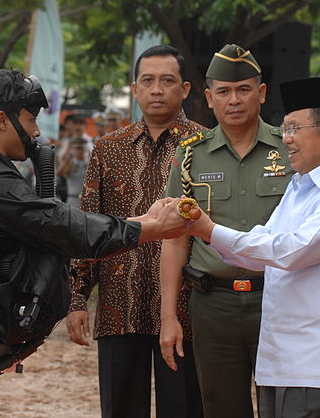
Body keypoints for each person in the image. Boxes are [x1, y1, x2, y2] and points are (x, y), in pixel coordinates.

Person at [0, 69, 194, 417]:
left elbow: (55, 221)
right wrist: (154, 229)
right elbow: (69, 230)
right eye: (30, 119)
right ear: (3, 121)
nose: (35, 131)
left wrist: (146, 222)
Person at [182, 77, 320, 418]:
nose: (285, 139)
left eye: (293, 128)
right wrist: (203, 231)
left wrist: (210, 229)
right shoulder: (301, 184)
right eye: (284, 128)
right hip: (282, 357)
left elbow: (291, 250)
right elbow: (262, 246)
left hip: (319, 361)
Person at [67, 45, 204, 418]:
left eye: (167, 81)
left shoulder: (206, 148)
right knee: (120, 407)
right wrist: (78, 298)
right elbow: (88, 225)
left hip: (186, 309)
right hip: (118, 304)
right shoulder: (108, 149)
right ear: (134, 88)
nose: (157, 89)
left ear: (186, 88)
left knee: (186, 406)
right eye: (148, 81)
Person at [159, 43, 293, 418]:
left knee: (284, 405)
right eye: (224, 92)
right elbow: (174, 241)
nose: (234, 100)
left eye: (244, 89)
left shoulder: (291, 151)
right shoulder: (190, 156)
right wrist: (168, 316)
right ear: (209, 98)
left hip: (281, 300)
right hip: (213, 306)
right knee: (221, 407)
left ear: (261, 93)